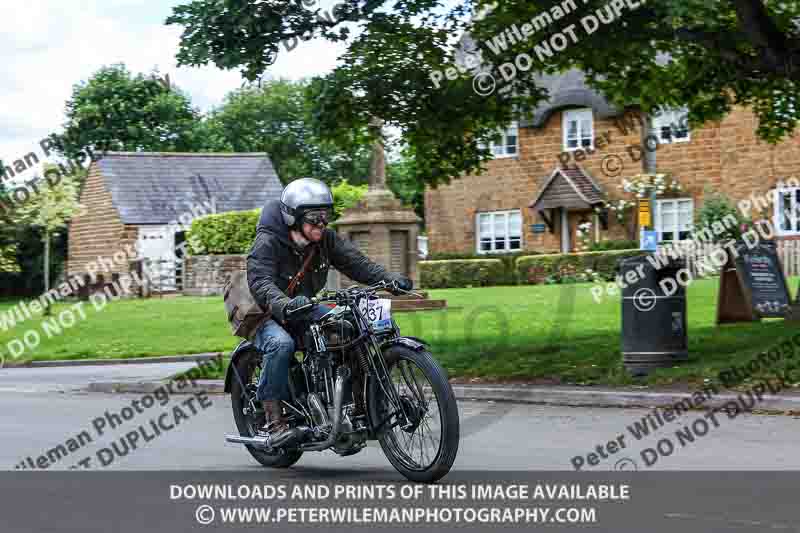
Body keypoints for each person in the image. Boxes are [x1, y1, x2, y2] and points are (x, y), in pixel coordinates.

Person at [246, 178, 412, 440]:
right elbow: (261, 283)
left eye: (326, 217)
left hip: (303, 305)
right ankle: (273, 421)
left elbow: (358, 264)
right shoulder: (268, 242)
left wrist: (389, 279)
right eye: (314, 218)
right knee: (281, 345)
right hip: (263, 309)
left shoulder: (325, 240)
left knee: (347, 328)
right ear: (293, 217)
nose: (322, 224)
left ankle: (359, 409)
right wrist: (285, 305)